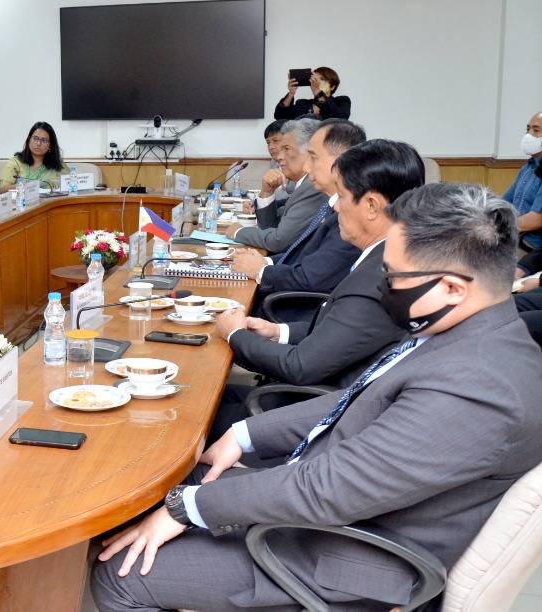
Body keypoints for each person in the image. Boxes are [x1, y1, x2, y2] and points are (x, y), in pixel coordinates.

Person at [92, 182, 542, 612]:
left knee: (118, 572)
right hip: (332, 507)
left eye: (395, 276)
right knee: (154, 496)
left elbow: (327, 489)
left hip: (341, 557)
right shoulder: (472, 335)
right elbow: (358, 399)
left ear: (451, 287)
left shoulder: (481, 387)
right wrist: (246, 435)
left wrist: (187, 508)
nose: (382, 285)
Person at [211, 139, 424, 441]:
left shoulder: (378, 280)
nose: (334, 205)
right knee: (207, 390)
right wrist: (278, 332)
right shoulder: (384, 257)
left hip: (309, 416)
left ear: (372, 205)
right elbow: (343, 335)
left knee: (184, 415)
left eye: (342, 195)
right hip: (319, 393)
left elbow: (300, 367)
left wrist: (235, 334)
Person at [230, 120, 366, 303]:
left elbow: (310, 275)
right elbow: (305, 255)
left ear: (340, 161)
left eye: (313, 157)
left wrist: (261, 269)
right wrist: (265, 262)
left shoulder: (350, 216)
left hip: (294, 308)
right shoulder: (332, 205)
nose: (307, 167)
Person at [229, 118, 328, 253]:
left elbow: (279, 241)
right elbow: (269, 227)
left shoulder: (312, 187)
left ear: (310, 152)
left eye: (286, 149)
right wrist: (267, 192)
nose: (279, 156)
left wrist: (239, 232)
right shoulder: (302, 185)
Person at [506, 111, 542, 250]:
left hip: (531, 247)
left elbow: (537, 219)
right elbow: (505, 203)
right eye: (528, 129)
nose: (529, 135)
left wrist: (497, 227)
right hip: (513, 238)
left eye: (536, 130)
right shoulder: (527, 167)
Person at [0, 121, 65, 191]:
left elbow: (70, 183)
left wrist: (45, 184)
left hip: (49, 201)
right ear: (29, 140)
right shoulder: (16, 162)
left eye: (44, 140)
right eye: (35, 138)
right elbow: (2, 190)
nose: (38, 143)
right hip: (21, 201)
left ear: (50, 145)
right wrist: (25, 186)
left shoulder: (57, 164)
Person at [274, 66, 351, 120]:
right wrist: (291, 93)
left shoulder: (341, 101)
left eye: (322, 79)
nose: (317, 82)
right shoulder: (302, 103)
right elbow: (280, 116)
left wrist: (318, 92)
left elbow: (340, 119)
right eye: (314, 79)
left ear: (332, 86)